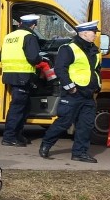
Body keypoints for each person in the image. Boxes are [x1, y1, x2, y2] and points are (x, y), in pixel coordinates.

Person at [39, 21, 101, 163]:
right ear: (84, 33)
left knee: (86, 125)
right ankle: (46, 144)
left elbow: (95, 70)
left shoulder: (93, 49)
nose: (95, 35)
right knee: (64, 122)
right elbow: (60, 69)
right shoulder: (68, 48)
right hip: (73, 92)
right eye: (93, 32)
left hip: (88, 92)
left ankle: (80, 153)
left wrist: (97, 85)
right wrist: (70, 86)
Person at [0, 14, 43, 146]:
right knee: (18, 108)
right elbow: (34, 58)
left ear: (20, 23)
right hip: (23, 76)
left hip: (10, 75)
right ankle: (9, 137)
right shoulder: (29, 37)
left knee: (23, 107)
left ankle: (17, 135)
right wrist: (42, 59)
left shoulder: (9, 36)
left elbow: (1, 56)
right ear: (33, 25)